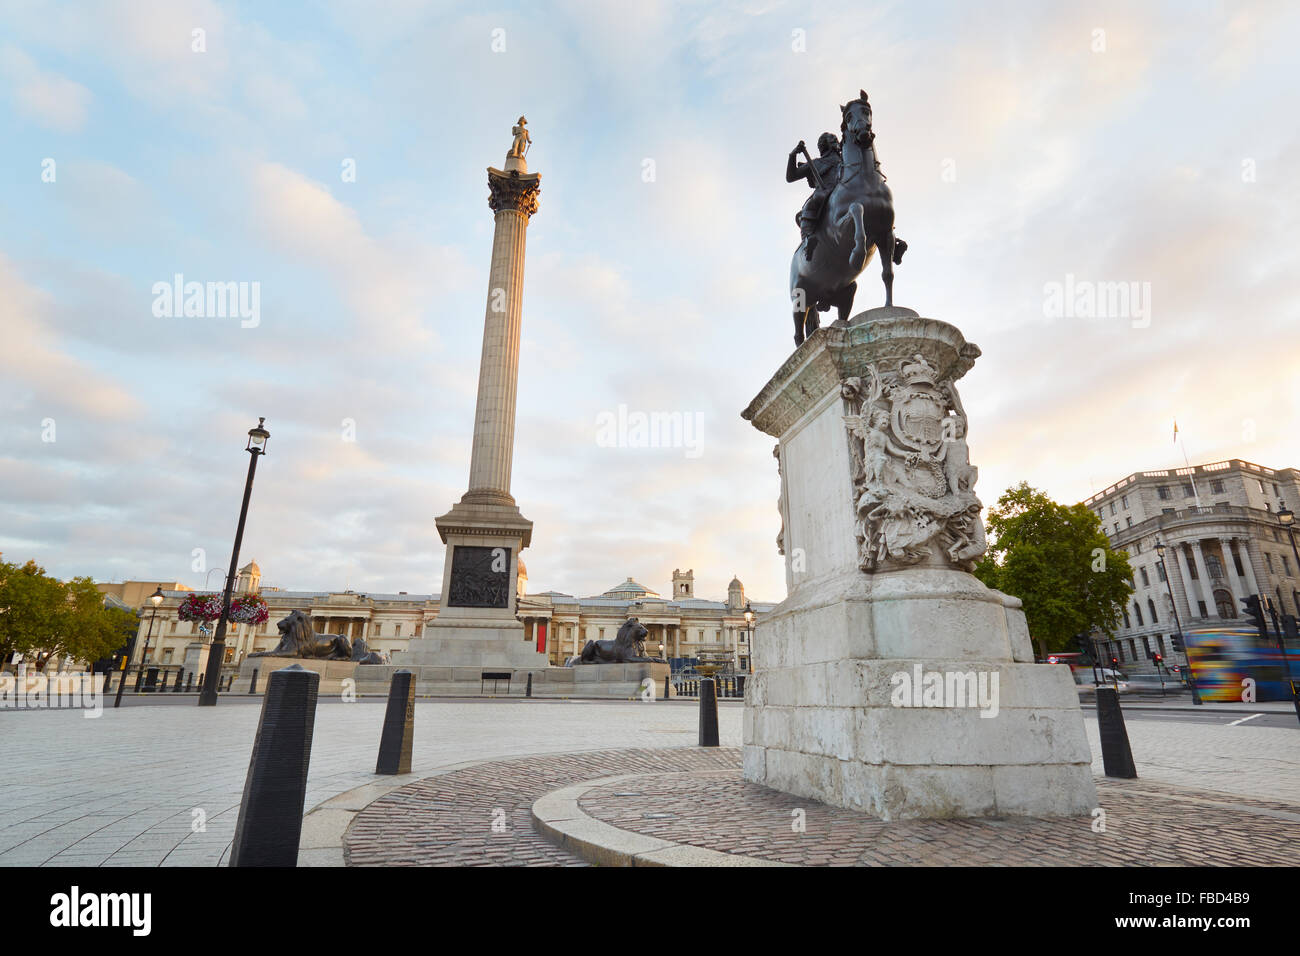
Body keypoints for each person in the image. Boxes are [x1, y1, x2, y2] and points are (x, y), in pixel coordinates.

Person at [786, 132, 842, 259]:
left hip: (846, 189)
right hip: (824, 193)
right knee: (811, 204)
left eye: (836, 140)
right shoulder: (816, 163)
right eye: (832, 140)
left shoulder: (847, 159)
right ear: (825, 145)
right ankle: (807, 240)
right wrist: (793, 154)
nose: (836, 142)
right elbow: (791, 176)